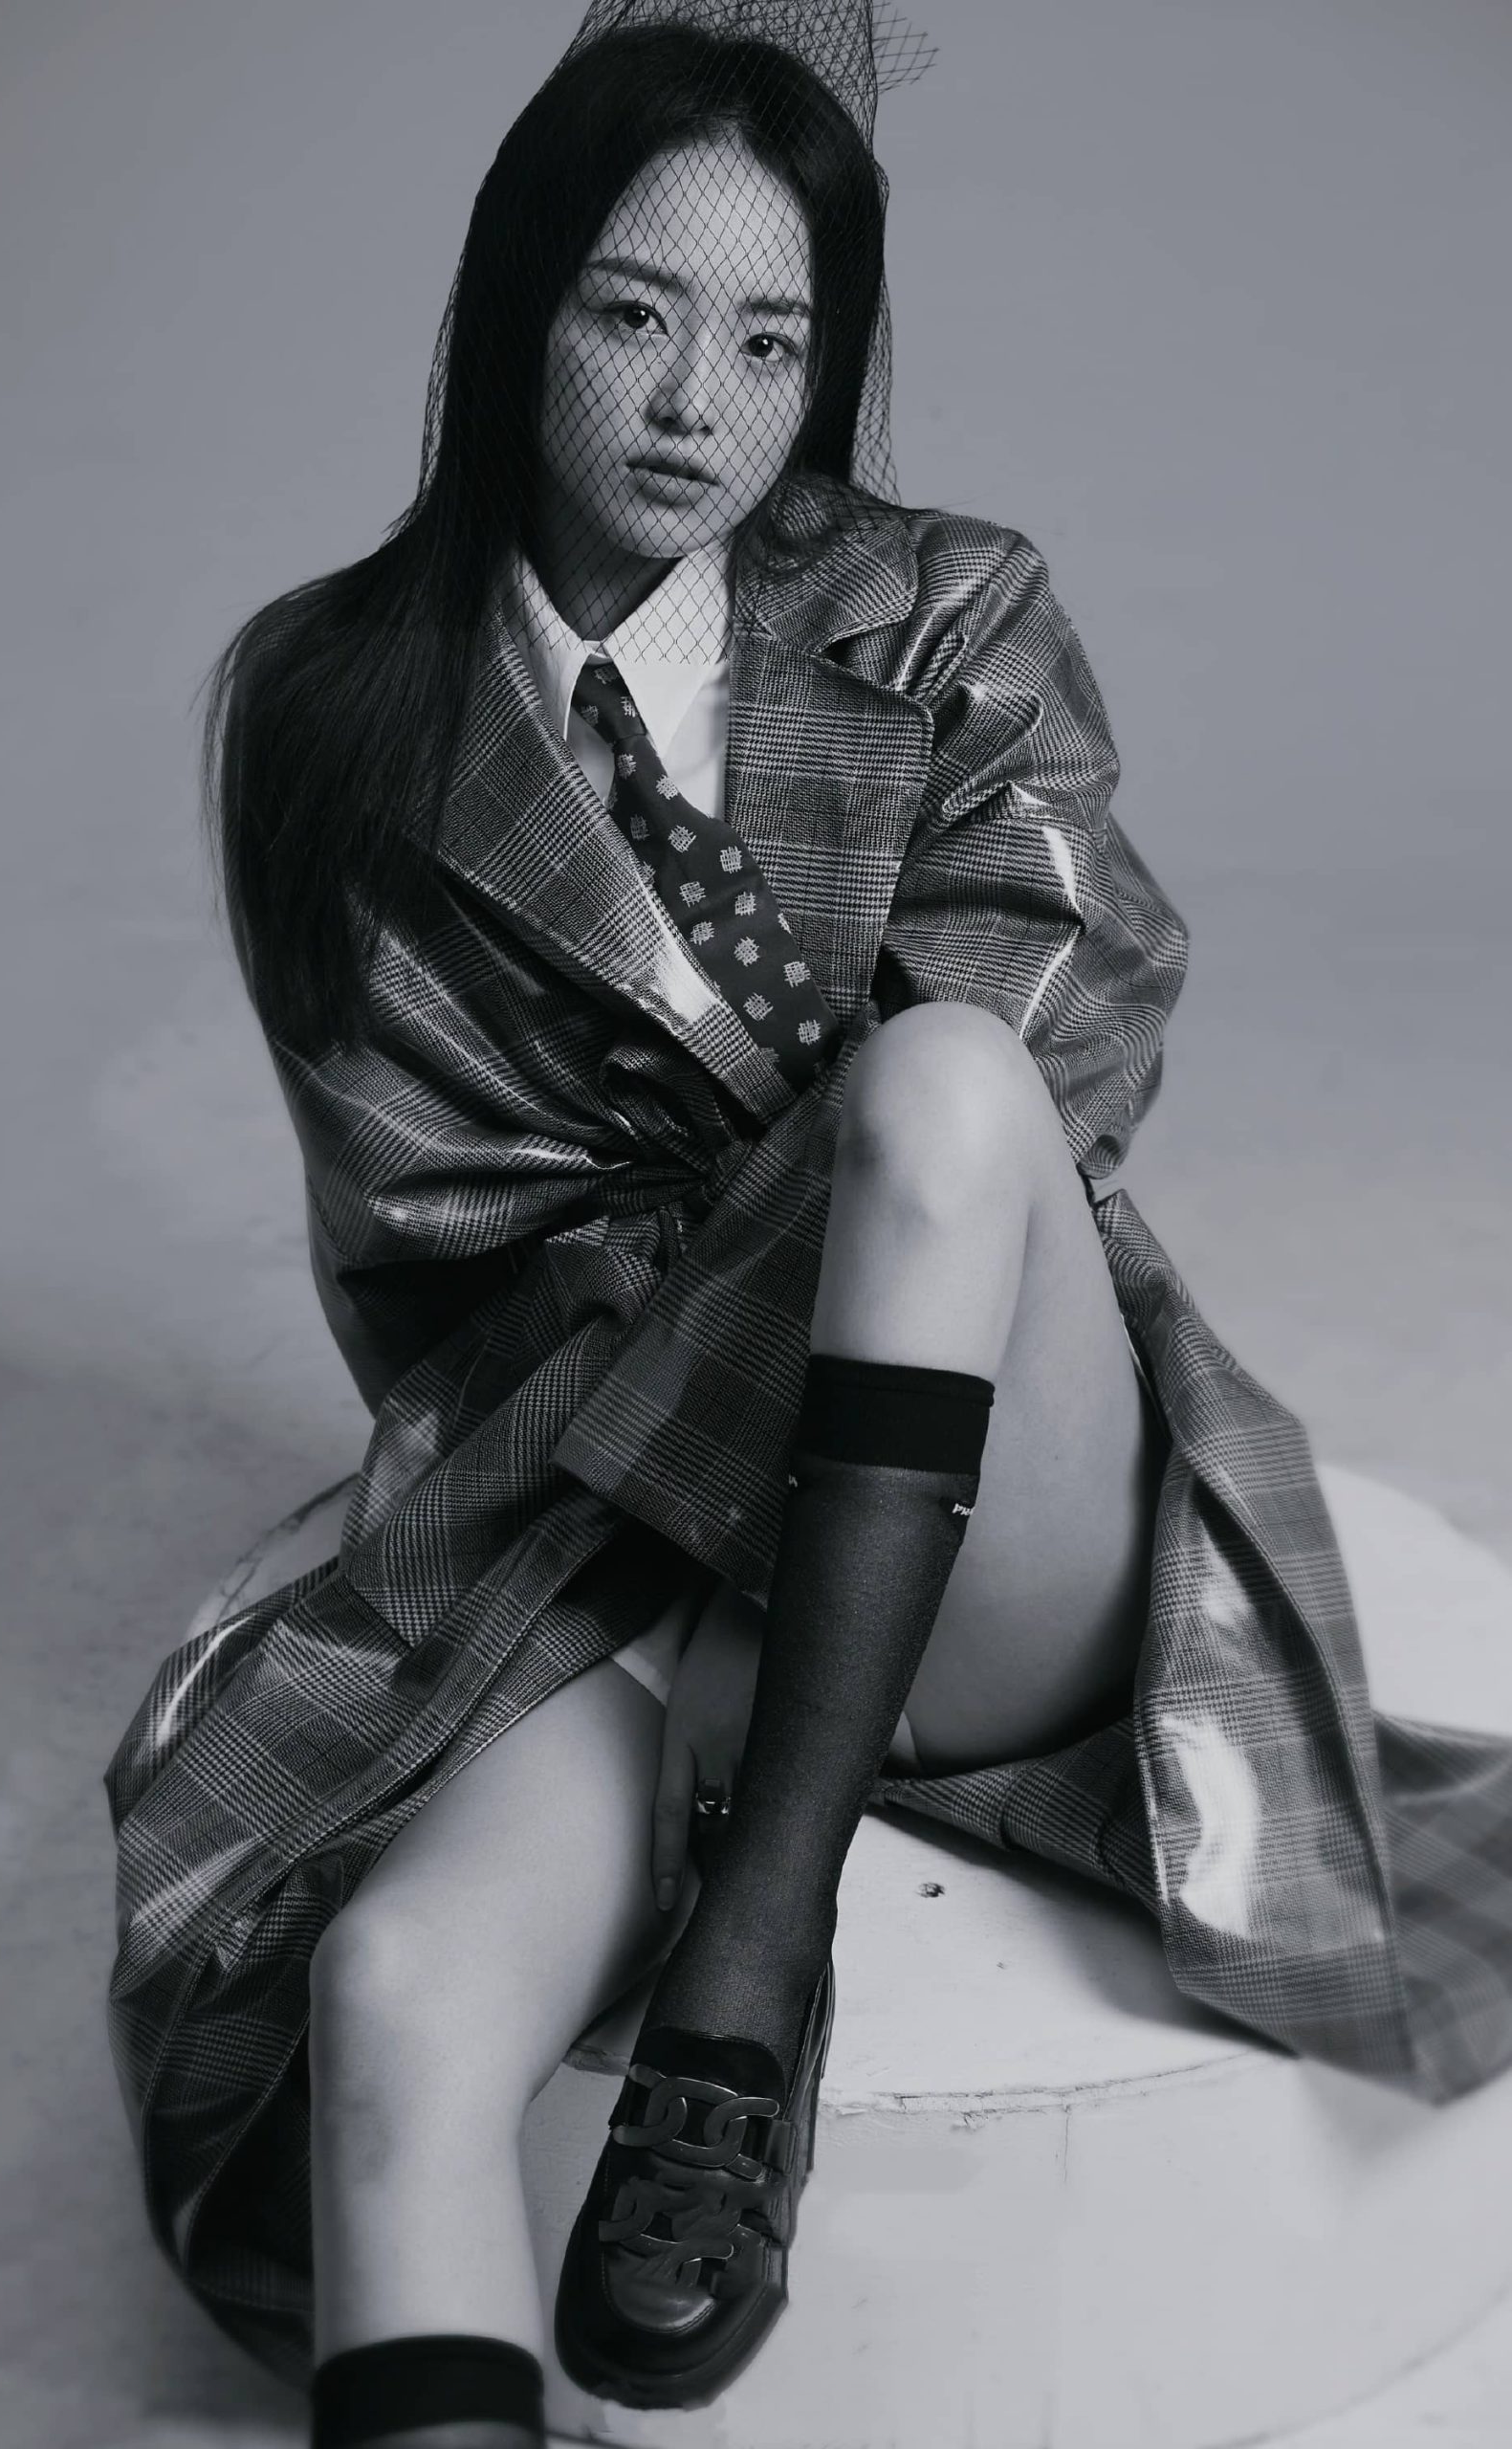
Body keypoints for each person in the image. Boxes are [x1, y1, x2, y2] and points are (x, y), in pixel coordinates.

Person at [103, 7, 1512, 2446]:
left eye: (771, 342)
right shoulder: (334, 700)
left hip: (981, 1513)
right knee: (396, 1995)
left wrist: (764, 1203)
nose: (695, 403)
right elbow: (421, 1230)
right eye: (630, 312)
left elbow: (1057, 1053)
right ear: (514, 303)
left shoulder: (946, 611)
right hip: (619, 1529)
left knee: (941, 1087)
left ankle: (752, 1964)